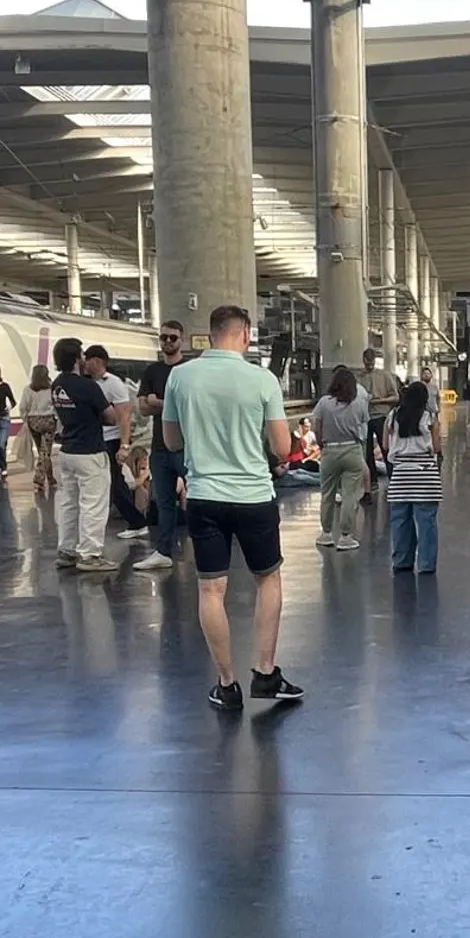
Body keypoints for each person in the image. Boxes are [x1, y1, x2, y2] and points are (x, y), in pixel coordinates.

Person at [162, 304, 303, 710]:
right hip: (254, 497)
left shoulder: (180, 377)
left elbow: (171, 441)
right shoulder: (262, 379)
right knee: (268, 581)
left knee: (211, 589)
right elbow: (280, 449)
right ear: (244, 334)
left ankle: (226, 684)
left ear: (210, 334)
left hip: (205, 496)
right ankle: (264, 673)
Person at [50, 338, 118, 572]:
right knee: (93, 503)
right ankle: (89, 555)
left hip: (67, 451)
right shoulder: (87, 386)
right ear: (76, 358)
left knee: (70, 502)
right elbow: (111, 417)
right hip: (90, 451)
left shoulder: (56, 385)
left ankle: (66, 550)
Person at [134, 320, 188, 572]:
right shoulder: (152, 371)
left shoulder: (189, 370)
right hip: (159, 446)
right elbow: (142, 407)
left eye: (172, 338)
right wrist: (166, 403)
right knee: (164, 501)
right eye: (164, 337)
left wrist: (159, 401)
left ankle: (207, 544)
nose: (167, 342)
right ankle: (163, 550)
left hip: (187, 446)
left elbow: (191, 406)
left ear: (181, 340)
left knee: (199, 497)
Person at [83, 345, 151, 543]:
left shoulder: (113, 384)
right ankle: (135, 521)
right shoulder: (86, 383)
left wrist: (124, 445)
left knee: (114, 482)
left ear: (97, 361)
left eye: (87, 359)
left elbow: (124, 416)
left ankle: (137, 522)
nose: (84, 363)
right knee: (111, 482)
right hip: (95, 438)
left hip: (111, 438)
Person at [384, 381, 442, 573]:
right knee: (426, 523)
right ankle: (426, 564)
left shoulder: (392, 416)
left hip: (401, 474)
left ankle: (402, 561)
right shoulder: (430, 417)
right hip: (425, 475)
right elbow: (436, 447)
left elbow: (385, 445)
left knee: (400, 521)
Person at [311, 365, 369, 550]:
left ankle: (326, 533)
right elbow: (363, 429)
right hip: (352, 449)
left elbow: (316, 427)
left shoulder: (324, 403)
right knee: (350, 495)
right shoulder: (359, 403)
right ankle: (346, 536)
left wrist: (322, 444)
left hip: (330, 450)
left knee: (327, 494)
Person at [360, 347, 400, 491]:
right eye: (367, 363)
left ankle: (393, 479)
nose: (369, 366)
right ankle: (372, 482)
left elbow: (395, 397)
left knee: (386, 449)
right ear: (363, 361)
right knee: (367, 451)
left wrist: (378, 401)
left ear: (375, 361)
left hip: (381, 417)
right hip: (365, 418)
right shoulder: (360, 377)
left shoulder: (385, 376)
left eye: (371, 363)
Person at [24, 364, 58, 493]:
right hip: (48, 420)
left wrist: (26, 419)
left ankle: (50, 478)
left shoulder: (28, 389)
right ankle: (39, 480)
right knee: (45, 452)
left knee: (42, 452)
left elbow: (23, 406)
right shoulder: (51, 389)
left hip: (34, 422)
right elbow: (56, 405)